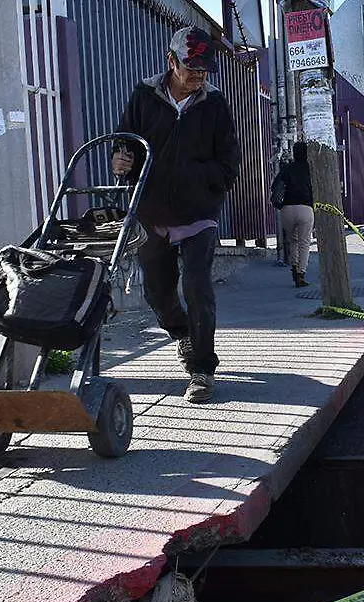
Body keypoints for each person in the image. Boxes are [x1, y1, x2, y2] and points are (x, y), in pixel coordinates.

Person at [111, 26, 240, 404]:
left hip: (199, 212)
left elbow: (229, 159)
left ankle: (201, 369)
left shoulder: (214, 103)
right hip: (152, 211)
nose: (198, 75)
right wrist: (121, 159)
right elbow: (126, 140)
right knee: (157, 291)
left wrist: (206, 184)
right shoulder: (144, 96)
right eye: (191, 67)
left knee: (197, 287)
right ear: (171, 61)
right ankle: (183, 334)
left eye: (204, 68)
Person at [272, 141, 314, 288]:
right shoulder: (311, 169)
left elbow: (275, 186)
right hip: (305, 208)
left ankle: (294, 267)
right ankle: (301, 273)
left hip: (287, 210)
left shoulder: (286, 169)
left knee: (293, 241)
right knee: (304, 243)